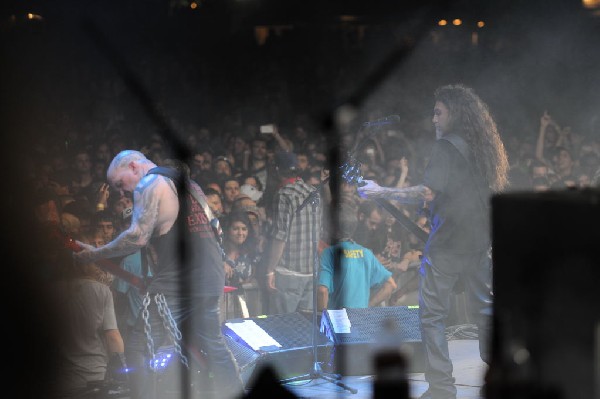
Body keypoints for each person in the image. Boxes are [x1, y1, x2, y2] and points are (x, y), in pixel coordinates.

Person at [358, 84, 509, 399]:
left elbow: (427, 192)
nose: (434, 119)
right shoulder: (481, 149)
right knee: (484, 312)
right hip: (479, 241)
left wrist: (380, 191)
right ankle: (500, 380)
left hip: (448, 245)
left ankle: (441, 388)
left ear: (454, 113)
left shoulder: (446, 148)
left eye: (438, 112)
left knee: (432, 316)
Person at [73, 150, 243, 399]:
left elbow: (136, 237)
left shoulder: (149, 183)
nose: (122, 192)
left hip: (179, 280)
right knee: (213, 343)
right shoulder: (189, 184)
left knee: (138, 344)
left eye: (120, 184)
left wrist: (95, 254)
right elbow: (215, 227)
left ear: (133, 166)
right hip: (210, 275)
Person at [263, 151, 322, 315]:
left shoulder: (284, 195)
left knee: (283, 326)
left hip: (289, 272)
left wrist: (270, 270)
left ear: (277, 170)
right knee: (304, 327)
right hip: (311, 270)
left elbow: (280, 236)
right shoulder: (313, 191)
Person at [317, 203, 396, 312]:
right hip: (360, 321)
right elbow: (390, 285)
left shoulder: (329, 253)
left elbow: (322, 291)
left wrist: (322, 319)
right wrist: (367, 307)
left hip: (338, 321)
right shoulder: (367, 254)